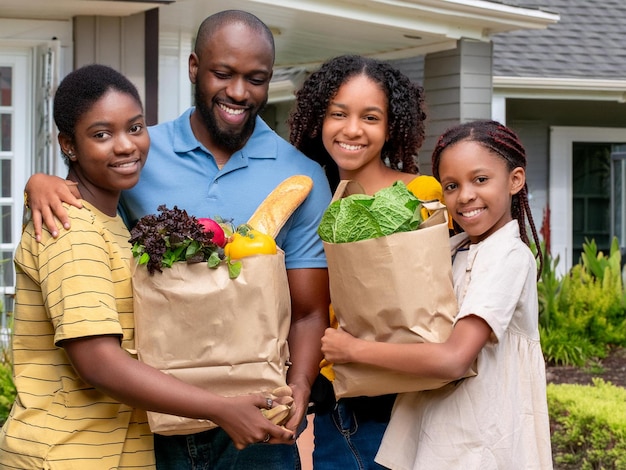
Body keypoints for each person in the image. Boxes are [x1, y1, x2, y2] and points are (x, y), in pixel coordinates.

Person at [22, 10, 332, 470]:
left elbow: (309, 310)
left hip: (257, 416)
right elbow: (83, 197)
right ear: (194, 68)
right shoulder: (142, 154)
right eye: (223, 73)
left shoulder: (302, 175)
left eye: (256, 78)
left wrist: (301, 385)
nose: (238, 92)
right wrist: (39, 181)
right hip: (153, 423)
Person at [321, 120, 552, 469]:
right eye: (451, 185)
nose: (465, 196)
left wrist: (355, 350)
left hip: (481, 444)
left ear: (515, 180)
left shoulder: (507, 256)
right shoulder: (454, 248)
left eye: (481, 179)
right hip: (446, 435)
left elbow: (454, 359)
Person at [289, 54, 444, 470]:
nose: (352, 129)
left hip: (421, 403)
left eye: (371, 117)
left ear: (391, 127)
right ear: (319, 119)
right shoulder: (304, 198)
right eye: (339, 114)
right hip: (344, 410)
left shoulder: (423, 194)